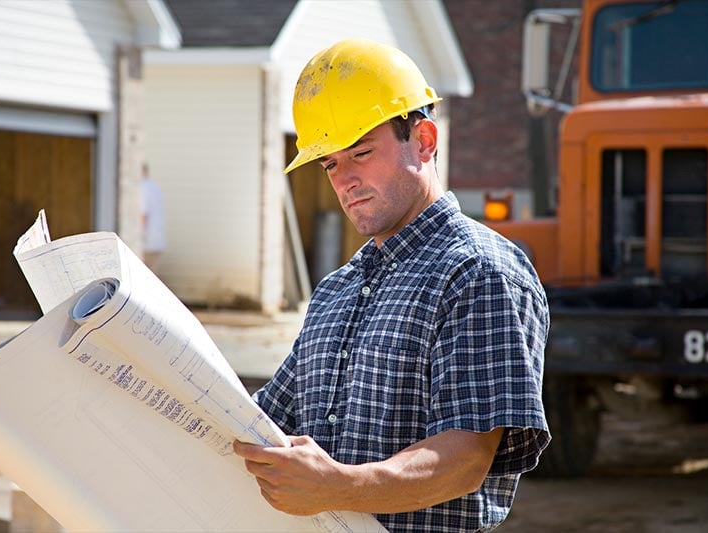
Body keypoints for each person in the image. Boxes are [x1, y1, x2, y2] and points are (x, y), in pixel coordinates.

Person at [233, 38, 550, 532]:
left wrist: (340, 486)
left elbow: (465, 460)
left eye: (360, 152)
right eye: (331, 163)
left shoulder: (478, 272)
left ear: (423, 140)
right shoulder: (338, 290)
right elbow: (263, 419)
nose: (344, 181)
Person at [140, 162, 166, 271]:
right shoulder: (154, 186)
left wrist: (140, 237)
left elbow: (143, 214)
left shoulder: (142, 187)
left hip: (147, 243)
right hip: (158, 241)